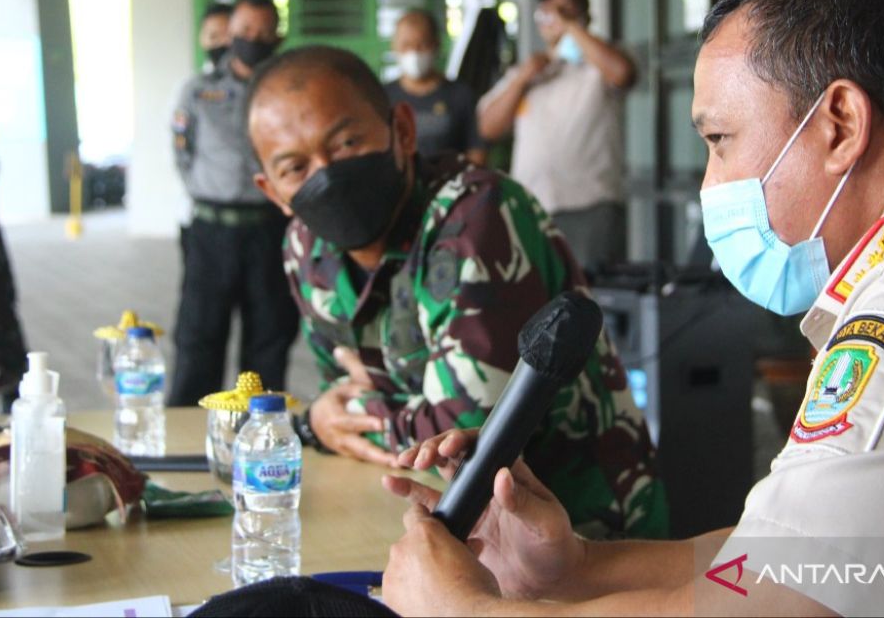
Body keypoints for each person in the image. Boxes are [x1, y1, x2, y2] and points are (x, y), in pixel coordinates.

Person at [380, 0, 884, 616]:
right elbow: (786, 559)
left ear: (839, 124)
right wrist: (575, 570)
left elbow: (780, 604)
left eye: (720, 141)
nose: (710, 183)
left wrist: (464, 611)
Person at [247, 45, 668, 539]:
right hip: (433, 515)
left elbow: (465, 438)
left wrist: (322, 423)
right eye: (295, 168)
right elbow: (340, 393)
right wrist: (337, 415)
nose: (326, 175)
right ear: (272, 190)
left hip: (583, 534)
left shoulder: (477, 214)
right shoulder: (304, 245)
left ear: (402, 130)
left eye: (345, 144)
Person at [168, 0, 300, 406]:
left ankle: (260, 434)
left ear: (276, 36)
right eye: (245, 31)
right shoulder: (198, 91)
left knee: (269, 338)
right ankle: (185, 432)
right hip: (211, 231)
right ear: (230, 33)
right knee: (198, 338)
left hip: (269, 229)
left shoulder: (289, 90)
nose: (253, 40)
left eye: (263, 33)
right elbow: (181, 151)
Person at [477, 0, 635, 275]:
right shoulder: (528, 72)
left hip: (590, 207)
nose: (556, 17)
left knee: (594, 298)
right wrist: (523, 79)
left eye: (566, 9)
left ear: (584, 16)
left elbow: (623, 73)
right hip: (532, 208)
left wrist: (573, 28)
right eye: (550, 11)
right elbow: (487, 128)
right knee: (535, 301)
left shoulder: (597, 68)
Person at [385, 9, 486, 166]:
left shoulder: (460, 94)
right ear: (394, 46)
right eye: (406, 45)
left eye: (422, 44)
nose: (414, 53)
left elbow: (476, 152)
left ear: (436, 44)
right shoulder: (383, 96)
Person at [198, 1, 232, 73]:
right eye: (214, 37)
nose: (222, 42)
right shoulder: (196, 83)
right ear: (202, 40)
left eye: (228, 35)